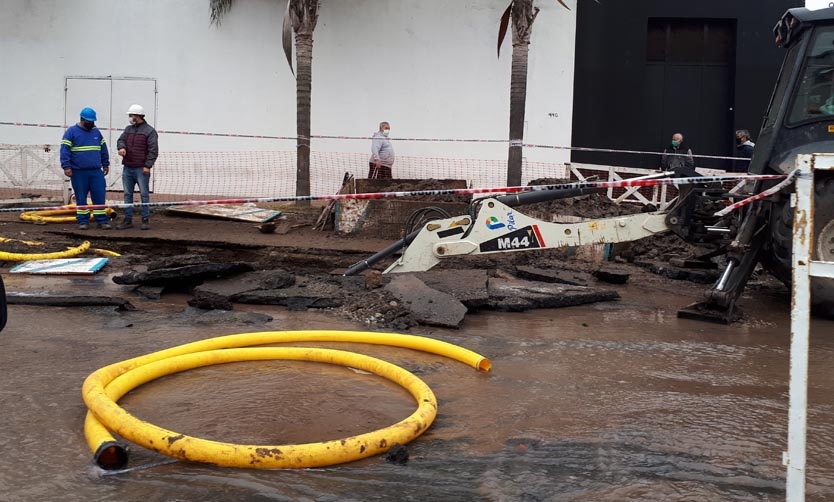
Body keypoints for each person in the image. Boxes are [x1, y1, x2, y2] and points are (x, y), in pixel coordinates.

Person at [60, 107, 111, 230]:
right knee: (81, 197)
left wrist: (105, 163)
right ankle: (83, 221)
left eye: (93, 121)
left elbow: (103, 149)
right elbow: (64, 151)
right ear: (82, 119)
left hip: (95, 171)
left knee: (99, 195)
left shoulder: (96, 132)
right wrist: (66, 167)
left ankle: (101, 220)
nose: (91, 124)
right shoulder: (71, 132)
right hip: (78, 172)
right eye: (89, 121)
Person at [116, 104, 158, 230]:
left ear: (137, 116)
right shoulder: (128, 129)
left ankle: (145, 220)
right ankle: (128, 220)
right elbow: (120, 140)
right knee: (127, 194)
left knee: (144, 195)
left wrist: (147, 165)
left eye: (131, 115)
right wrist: (121, 147)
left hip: (141, 169)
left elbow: (153, 150)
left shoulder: (150, 131)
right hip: (128, 167)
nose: (130, 117)